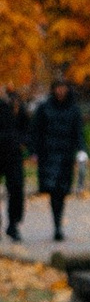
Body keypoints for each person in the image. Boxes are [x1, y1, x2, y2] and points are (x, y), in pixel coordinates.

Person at [31, 79, 81, 244]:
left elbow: (78, 132)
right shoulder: (44, 108)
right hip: (49, 154)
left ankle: (58, 223)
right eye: (58, 88)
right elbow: (36, 130)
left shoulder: (73, 109)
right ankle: (57, 225)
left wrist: (81, 151)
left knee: (62, 190)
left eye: (63, 88)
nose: (60, 91)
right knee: (53, 190)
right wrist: (34, 152)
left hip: (66, 154)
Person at [0, 85, 25, 244]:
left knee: (16, 189)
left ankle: (13, 224)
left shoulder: (14, 103)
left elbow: (25, 126)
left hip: (13, 152)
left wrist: (23, 142)